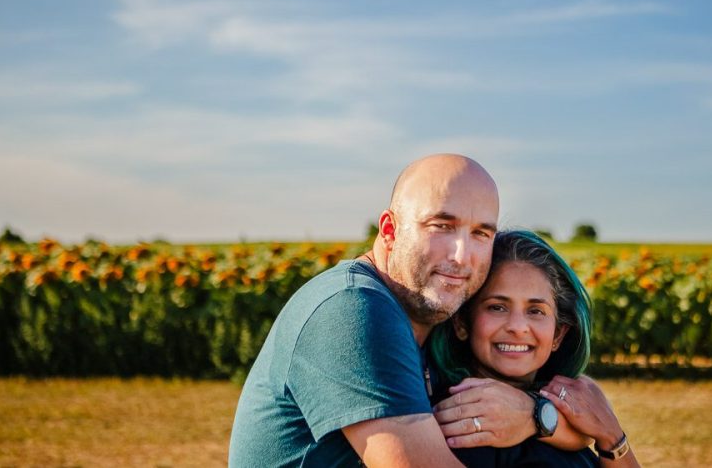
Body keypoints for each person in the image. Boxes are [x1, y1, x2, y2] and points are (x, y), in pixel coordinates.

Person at [229, 154, 542, 467]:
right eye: (442, 226)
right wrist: (541, 418)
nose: (462, 256)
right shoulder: (353, 308)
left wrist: (539, 415)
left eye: (481, 234)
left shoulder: (431, 320)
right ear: (390, 231)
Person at [428, 230, 641, 467]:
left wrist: (613, 438)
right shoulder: (458, 421)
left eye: (536, 311)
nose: (518, 327)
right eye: (497, 307)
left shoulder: (572, 408)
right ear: (462, 323)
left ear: (558, 334)